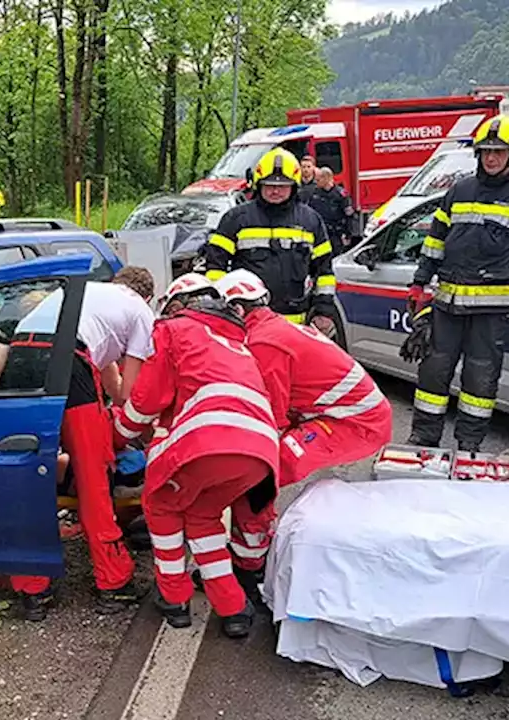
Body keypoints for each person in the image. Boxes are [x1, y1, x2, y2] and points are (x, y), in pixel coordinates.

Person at [0, 266, 158, 620]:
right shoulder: (142, 312)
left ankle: (32, 587)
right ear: (148, 297)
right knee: (93, 476)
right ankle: (113, 582)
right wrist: (139, 436)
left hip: (21, 357)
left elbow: (109, 379)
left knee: (26, 475)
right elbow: (130, 393)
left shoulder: (88, 296)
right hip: (69, 360)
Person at [110, 292, 280, 639]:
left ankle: (174, 599)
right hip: (259, 452)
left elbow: (146, 402)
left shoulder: (174, 331)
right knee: (202, 518)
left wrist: (117, 433)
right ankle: (233, 608)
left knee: (161, 506)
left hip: (208, 441)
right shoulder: (235, 343)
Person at [213, 270, 392, 589]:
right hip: (344, 414)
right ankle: (252, 550)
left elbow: (269, 420)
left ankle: (251, 563)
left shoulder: (264, 344)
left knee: (259, 471)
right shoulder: (270, 329)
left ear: (238, 310)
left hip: (353, 424)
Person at [407, 114, 509, 452]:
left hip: (493, 311)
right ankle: (424, 437)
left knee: (479, 381)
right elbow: (435, 242)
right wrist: (419, 283)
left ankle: (469, 444)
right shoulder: (459, 190)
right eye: (486, 151)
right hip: (448, 304)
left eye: (499, 152)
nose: (491, 158)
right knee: (433, 372)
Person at [201, 147, 337, 336]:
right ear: (258, 184)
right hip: (247, 323)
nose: (275, 190)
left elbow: (324, 271)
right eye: (269, 185)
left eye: (282, 186)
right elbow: (215, 266)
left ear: (294, 186)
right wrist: (220, 306)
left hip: (295, 325)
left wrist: (324, 311)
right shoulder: (236, 219)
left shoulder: (311, 221)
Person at [304, 167, 356, 250]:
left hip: (336, 234)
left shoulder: (340, 195)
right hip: (320, 233)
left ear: (327, 178)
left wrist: (348, 234)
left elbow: (349, 215)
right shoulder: (314, 194)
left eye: (318, 180)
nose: (316, 182)